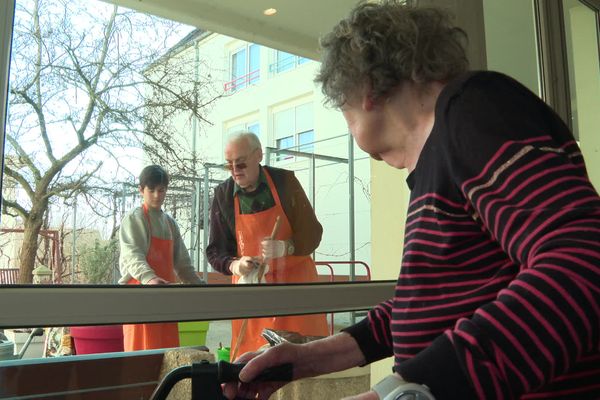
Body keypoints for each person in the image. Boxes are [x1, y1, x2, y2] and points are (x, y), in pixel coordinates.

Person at [223, 2, 600, 400]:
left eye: (344, 114)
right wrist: (304, 358)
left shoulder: (474, 109)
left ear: (365, 89)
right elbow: (423, 307)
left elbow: (582, 260)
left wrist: (406, 392)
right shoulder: (440, 157)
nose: (351, 131)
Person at [206, 131, 329, 356]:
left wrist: (286, 247)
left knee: (303, 360)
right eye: (229, 165)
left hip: (296, 289)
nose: (235, 171)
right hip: (252, 293)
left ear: (258, 155)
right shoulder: (223, 195)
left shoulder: (285, 183)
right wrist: (235, 265)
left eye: (241, 164)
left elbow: (313, 233)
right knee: (254, 362)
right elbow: (215, 251)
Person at [119, 165, 203, 351]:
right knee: (140, 360)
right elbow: (132, 255)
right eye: (152, 190)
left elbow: (183, 264)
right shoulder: (134, 219)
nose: (157, 195)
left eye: (161, 190)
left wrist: (199, 288)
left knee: (168, 357)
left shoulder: (170, 224)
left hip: (165, 302)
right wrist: (149, 278)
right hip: (139, 301)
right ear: (141, 190)